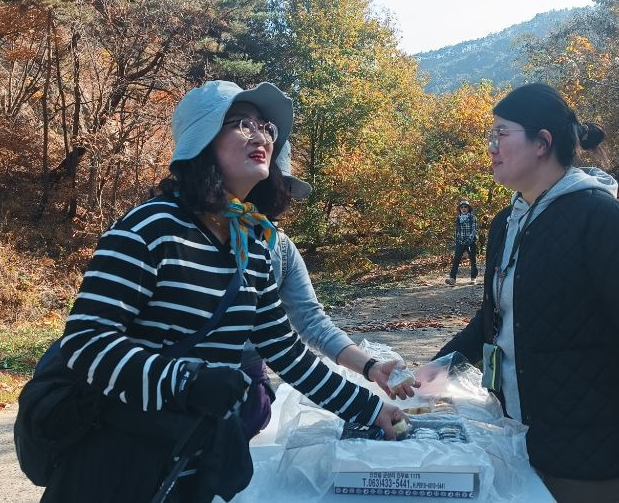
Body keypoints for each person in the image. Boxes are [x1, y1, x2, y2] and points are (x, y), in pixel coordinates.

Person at [43, 81, 405, 502]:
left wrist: (369, 408)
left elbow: (284, 349)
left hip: (194, 459)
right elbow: (86, 342)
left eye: (265, 126)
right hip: (117, 462)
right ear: (202, 140)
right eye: (240, 123)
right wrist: (187, 381)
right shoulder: (150, 228)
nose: (260, 135)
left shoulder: (251, 244)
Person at [433, 84, 619, 502]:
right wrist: (442, 365)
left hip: (591, 452)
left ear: (542, 142)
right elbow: (496, 313)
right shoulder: (507, 221)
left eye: (501, 134)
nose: (491, 147)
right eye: (491, 135)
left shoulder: (603, 219)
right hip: (518, 438)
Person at [238, 142, 416, 438]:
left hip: (246, 383)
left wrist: (372, 368)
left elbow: (304, 329)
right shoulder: (177, 232)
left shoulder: (277, 247)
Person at [445, 200, 479, 285]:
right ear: (459, 209)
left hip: (471, 242)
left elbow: (474, 231)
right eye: (462, 207)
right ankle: (452, 278)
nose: (463, 208)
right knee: (456, 259)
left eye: (465, 207)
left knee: (473, 260)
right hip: (460, 242)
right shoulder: (458, 218)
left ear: (468, 208)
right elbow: (457, 231)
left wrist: (468, 240)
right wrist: (458, 240)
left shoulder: (472, 217)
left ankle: (473, 278)